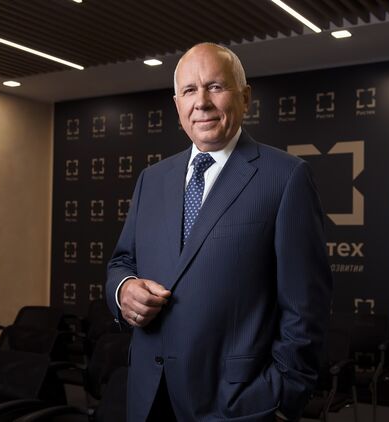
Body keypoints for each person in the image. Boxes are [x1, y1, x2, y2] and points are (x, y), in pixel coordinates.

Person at [106, 42, 332, 422]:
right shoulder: (152, 179)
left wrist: (282, 400)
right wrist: (123, 289)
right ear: (177, 104)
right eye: (189, 90)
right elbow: (122, 261)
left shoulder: (285, 177)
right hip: (149, 397)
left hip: (236, 403)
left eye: (215, 87)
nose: (202, 103)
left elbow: (305, 306)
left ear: (245, 97)